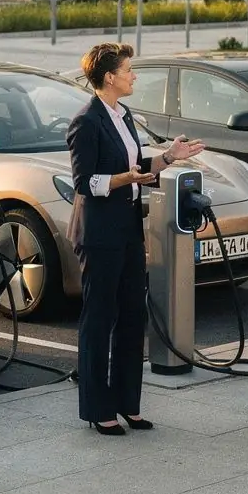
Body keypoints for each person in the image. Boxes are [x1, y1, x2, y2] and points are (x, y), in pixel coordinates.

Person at [67, 42, 204, 435]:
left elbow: (138, 165)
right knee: (100, 318)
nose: (133, 76)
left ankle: (128, 403)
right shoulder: (86, 121)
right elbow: (85, 182)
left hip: (126, 228)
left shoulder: (122, 115)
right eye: (128, 70)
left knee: (132, 315)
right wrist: (126, 179)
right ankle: (98, 408)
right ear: (110, 77)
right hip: (98, 232)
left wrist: (170, 156)